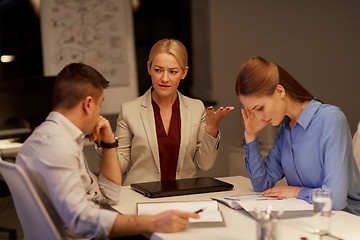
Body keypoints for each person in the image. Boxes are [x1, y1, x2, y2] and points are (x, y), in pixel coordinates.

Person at [16, 63, 199, 239]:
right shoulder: (57, 147)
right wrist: (152, 222)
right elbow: (82, 221)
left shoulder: (50, 137)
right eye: (100, 105)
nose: (99, 114)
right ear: (88, 104)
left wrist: (109, 142)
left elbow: (108, 196)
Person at [235, 56, 360, 215]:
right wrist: (251, 134)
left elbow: (334, 200)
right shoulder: (286, 128)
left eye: (260, 108)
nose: (258, 117)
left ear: (279, 91)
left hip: (347, 221)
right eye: (252, 111)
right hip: (309, 218)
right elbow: (262, 184)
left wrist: (297, 192)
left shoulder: (331, 119)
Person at [114, 38, 234, 185]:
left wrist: (211, 128)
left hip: (183, 195)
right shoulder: (129, 110)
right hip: (140, 197)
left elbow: (205, 164)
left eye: (173, 71)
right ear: (148, 68)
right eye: (158, 70)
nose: (165, 78)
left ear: (184, 73)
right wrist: (105, 142)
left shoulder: (197, 109)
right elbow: (119, 167)